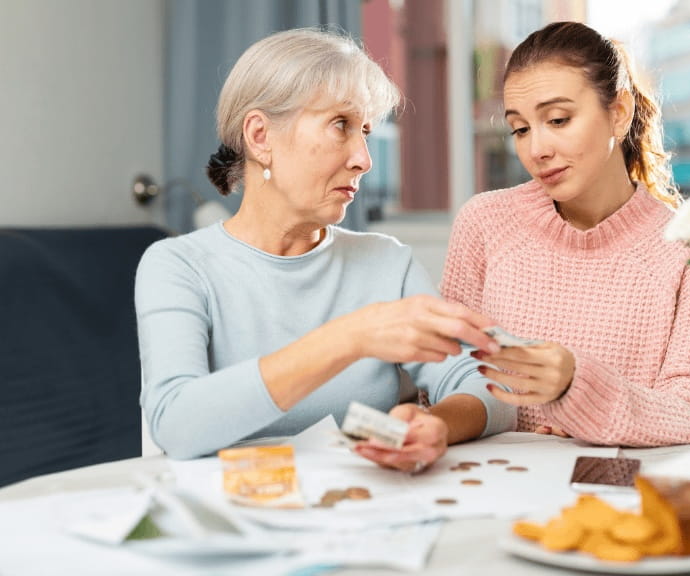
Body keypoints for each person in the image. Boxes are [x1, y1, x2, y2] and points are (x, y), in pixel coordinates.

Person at [136, 28, 515, 467]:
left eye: (366, 132)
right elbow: (178, 425)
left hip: (358, 509)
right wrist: (349, 338)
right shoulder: (178, 266)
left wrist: (438, 425)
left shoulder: (386, 262)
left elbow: (491, 387)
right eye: (341, 125)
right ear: (260, 137)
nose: (364, 159)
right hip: (231, 514)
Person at [440, 21, 690, 447]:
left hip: (618, 491)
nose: (537, 149)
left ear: (619, 113)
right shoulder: (485, 223)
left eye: (558, 119)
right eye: (520, 129)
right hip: (491, 482)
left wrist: (579, 388)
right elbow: (446, 372)